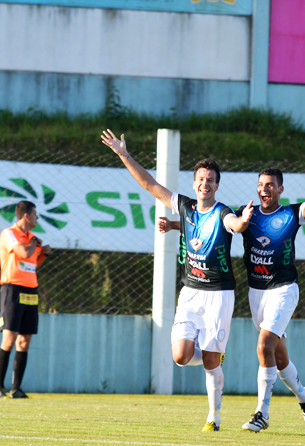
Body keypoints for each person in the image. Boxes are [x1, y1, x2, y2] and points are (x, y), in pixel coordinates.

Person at [159, 154, 305, 432]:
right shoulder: (248, 214)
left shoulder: (290, 215)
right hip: (256, 293)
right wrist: (176, 225)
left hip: (284, 290)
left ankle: (262, 413)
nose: (265, 189)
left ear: (280, 190)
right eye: (261, 185)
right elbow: (210, 226)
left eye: (271, 185)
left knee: (263, 346)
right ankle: (304, 397)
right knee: (279, 358)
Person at [101, 129, 253, 432]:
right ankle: (214, 356)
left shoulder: (223, 212)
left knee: (210, 363)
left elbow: (233, 224)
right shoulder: (184, 207)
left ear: (217, 185)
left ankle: (214, 416)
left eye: (210, 180)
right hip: (190, 293)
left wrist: (244, 221)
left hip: (219, 294)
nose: (204, 184)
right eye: (200, 179)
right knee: (181, 356)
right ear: (194, 182)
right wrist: (123, 154)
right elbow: (150, 184)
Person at [0, 200, 51, 399]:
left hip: (31, 290)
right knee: (9, 338)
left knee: (24, 341)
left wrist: (43, 254)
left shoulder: (31, 238)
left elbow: (32, 264)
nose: (37, 218)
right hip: (12, 289)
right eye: (35, 214)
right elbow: (24, 252)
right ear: (26, 216)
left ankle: (16, 388)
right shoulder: (9, 233)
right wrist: (35, 243)